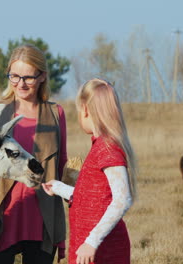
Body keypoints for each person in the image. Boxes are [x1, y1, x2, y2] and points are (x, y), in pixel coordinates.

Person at [0, 44, 68, 264]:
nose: (20, 84)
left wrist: (75, 193)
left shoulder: (56, 113)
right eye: (14, 76)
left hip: (42, 217)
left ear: (42, 76)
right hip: (3, 214)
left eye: (28, 77)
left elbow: (62, 161)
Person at [42, 78, 137, 264]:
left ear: (85, 109)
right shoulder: (99, 147)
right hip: (89, 248)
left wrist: (92, 242)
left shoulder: (108, 148)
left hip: (102, 250)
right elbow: (91, 198)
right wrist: (59, 187)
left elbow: (122, 199)